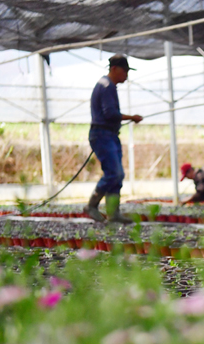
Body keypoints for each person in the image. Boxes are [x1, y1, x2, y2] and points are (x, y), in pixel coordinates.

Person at [85, 54, 143, 224]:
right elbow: (109, 113)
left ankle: (113, 214)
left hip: (109, 135)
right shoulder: (106, 86)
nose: (126, 75)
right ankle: (92, 206)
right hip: (102, 135)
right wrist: (131, 117)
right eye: (125, 71)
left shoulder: (108, 86)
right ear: (114, 69)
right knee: (113, 173)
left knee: (117, 175)